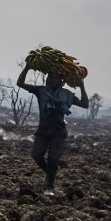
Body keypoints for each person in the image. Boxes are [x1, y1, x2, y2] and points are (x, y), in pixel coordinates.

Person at [16, 65, 89, 196]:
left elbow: (85, 104)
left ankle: (49, 187)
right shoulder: (41, 91)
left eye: (56, 78)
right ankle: (50, 173)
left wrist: (82, 87)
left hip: (58, 132)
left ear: (61, 81)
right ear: (48, 79)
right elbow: (20, 83)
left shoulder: (66, 95)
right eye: (52, 77)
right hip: (43, 130)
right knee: (36, 155)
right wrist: (27, 67)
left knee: (53, 159)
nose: (53, 80)